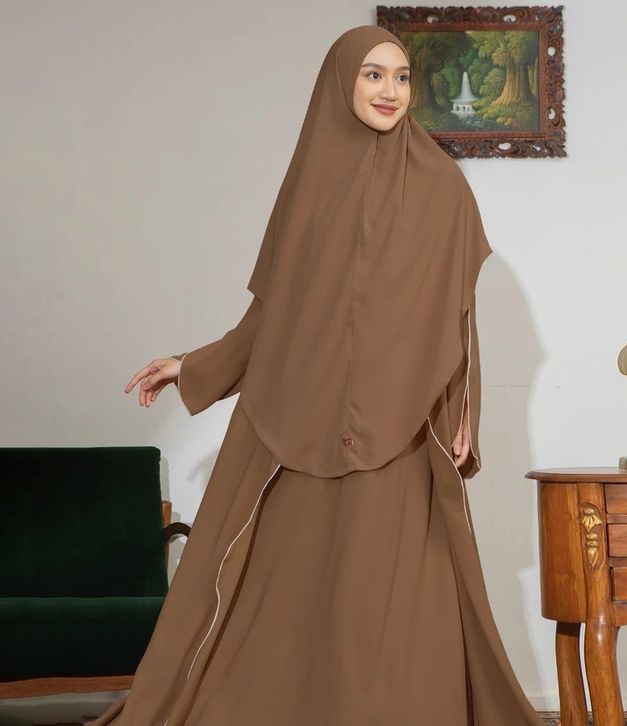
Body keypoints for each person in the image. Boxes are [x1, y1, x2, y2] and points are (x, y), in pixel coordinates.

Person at [89, 24, 544, 726]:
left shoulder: (443, 187)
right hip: (301, 413)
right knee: (293, 590)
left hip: (401, 420)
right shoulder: (308, 184)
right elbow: (276, 313)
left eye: (401, 77)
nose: (390, 91)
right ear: (339, 83)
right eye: (372, 75)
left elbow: (458, 314)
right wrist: (196, 366)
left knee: (382, 599)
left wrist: (464, 410)